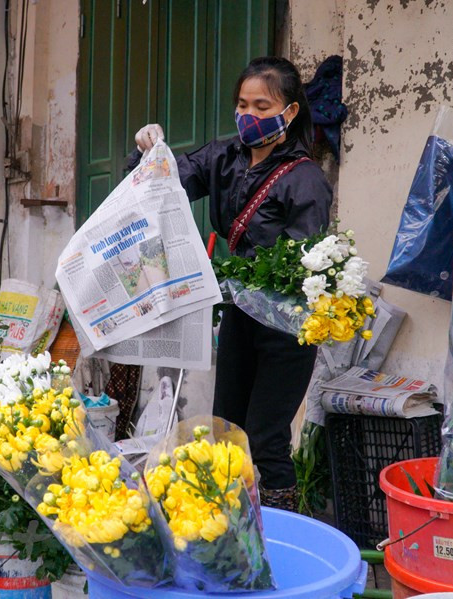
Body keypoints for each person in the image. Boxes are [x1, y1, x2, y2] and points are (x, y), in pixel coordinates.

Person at [130, 56, 332, 511]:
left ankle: (281, 530)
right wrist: (150, 151)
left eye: (263, 106)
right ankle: (226, 527)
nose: (250, 116)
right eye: (243, 104)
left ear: (291, 111)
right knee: (225, 429)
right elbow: (161, 182)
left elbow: (301, 261)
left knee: (266, 438)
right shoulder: (222, 157)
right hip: (241, 318)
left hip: (286, 327)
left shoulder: (305, 180)